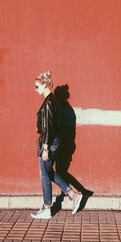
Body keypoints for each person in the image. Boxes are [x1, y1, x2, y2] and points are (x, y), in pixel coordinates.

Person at [31, 71, 82, 219]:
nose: (35, 89)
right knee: (49, 172)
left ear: (45, 85)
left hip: (49, 143)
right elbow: (48, 124)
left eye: (37, 86)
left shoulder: (48, 103)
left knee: (44, 175)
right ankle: (73, 194)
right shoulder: (52, 101)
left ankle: (47, 208)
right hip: (54, 141)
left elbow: (48, 128)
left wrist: (45, 148)